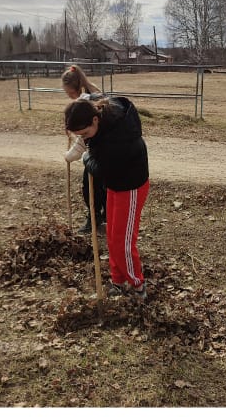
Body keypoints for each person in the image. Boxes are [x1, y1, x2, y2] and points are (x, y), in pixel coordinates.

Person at [65, 96, 150, 298]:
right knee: (112, 236)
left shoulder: (118, 138)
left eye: (85, 133)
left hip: (130, 187)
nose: (84, 139)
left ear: (95, 120)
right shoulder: (101, 116)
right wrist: (83, 144)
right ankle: (118, 281)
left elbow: (100, 169)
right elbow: (91, 143)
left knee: (123, 242)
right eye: (79, 136)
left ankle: (138, 286)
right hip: (115, 184)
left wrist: (86, 156)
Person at [61, 66, 106, 235]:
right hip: (102, 149)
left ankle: (94, 220)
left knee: (90, 186)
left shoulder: (86, 100)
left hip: (98, 151)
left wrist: (70, 155)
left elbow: (82, 141)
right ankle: (102, 217)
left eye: (69, 94)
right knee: (102, 185)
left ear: (76, 89)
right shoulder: (92, 91)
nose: (69, 98)